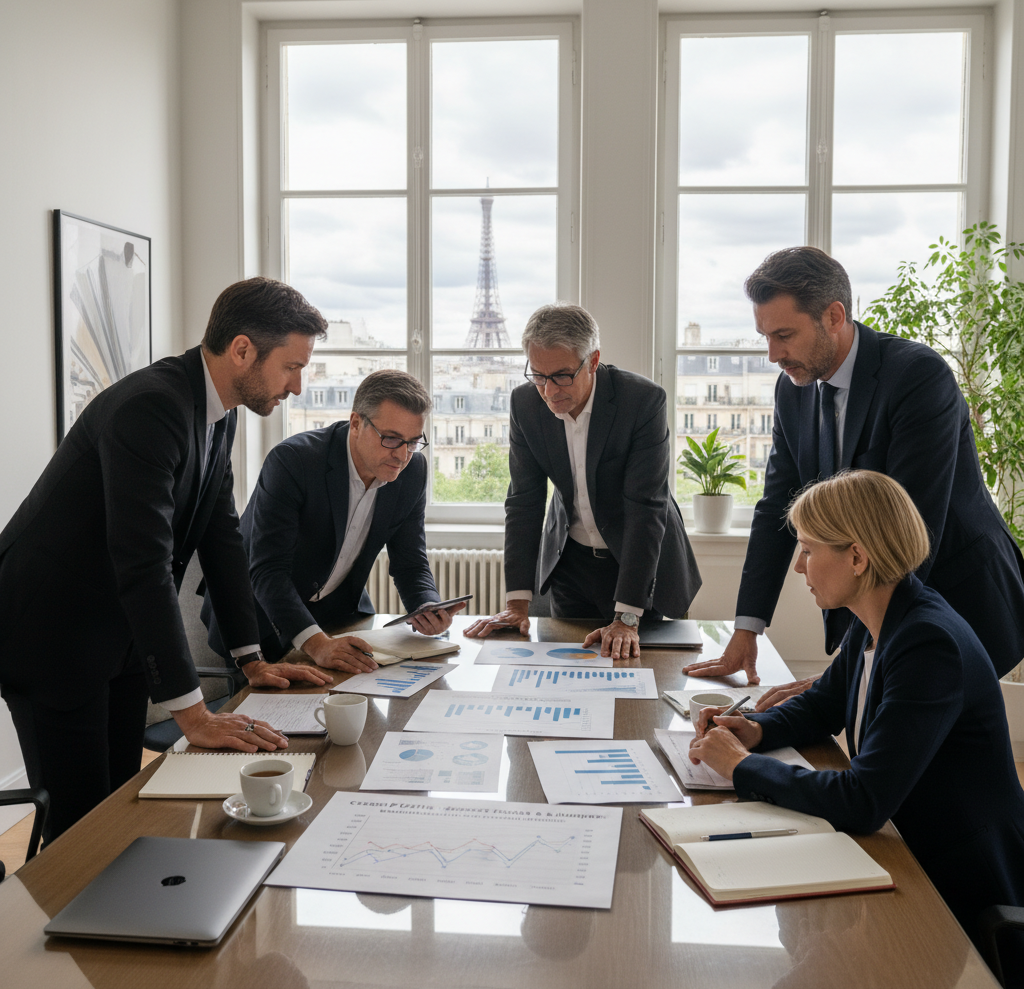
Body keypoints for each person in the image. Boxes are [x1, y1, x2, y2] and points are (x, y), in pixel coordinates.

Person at [0, 277, 333, 841]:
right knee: (79, 824)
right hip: (50, 631)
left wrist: (250, 658)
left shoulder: (218, 412)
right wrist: (194, 713)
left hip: (118, 630)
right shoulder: (153, 406)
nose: (297, 387)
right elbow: (144, 562)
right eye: (292, 366)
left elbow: (222, 536)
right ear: (243, 350)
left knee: (116, 804)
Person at [688, 470, 1024, 962]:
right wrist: (756, 729)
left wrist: (739, 765)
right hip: (907, 846)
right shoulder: (881, 616)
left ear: (858, 557)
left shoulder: (929, 644)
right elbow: (825, 701)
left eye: (807, 549)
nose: (799, 566)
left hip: (957, 885)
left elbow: (865, 799)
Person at [684, 246, 1024, 704]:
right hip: (884, 608)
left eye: (784, 334)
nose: (772, 354)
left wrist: (850, 667)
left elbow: (912, 531)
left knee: (932, 761)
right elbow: (775, 509)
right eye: (765, 335)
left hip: (957, 599)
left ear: (834, 315)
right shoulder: (794, 389)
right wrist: (748, 630)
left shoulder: (917, 376)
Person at [465, 303, 701, 658]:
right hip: (570, 564)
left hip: (639, 563)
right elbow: (523, 502)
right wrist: (517, 602)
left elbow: (645, 507)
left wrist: (626, 616)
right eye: (538, 376)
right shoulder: (525, 404)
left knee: (642, 677)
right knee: (569, 674)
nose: (549, 391)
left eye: (561, 375)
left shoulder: (642, 400)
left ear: (592, 361)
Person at [204, 370, 464, 671]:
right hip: (258, 621)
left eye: (413, 442)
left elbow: (410, 562)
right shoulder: (294, 461)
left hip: (338, 617)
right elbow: (267, 571)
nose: (403, 455)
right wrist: (316, 644)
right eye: (391, 439)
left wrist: (425, 606)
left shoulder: (412, 472)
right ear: (356, 423)